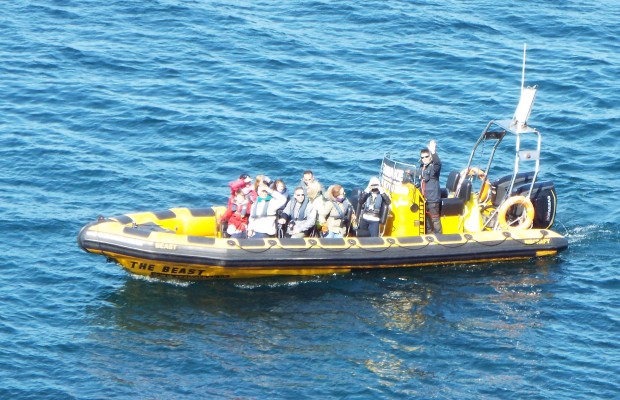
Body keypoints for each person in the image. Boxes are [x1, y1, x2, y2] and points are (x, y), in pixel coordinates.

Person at [419, 140, 442, 234]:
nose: (424, 159)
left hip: (433, 199)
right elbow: (418, 173)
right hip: (425, 199)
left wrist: (433, 152)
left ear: (430, 157)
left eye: (426, 157)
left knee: (435, 220)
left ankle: (439, 237)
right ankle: (429, 234)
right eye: (422, 157)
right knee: (427, 220)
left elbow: (438, 164)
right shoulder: (423, 167)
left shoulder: (433, 168)